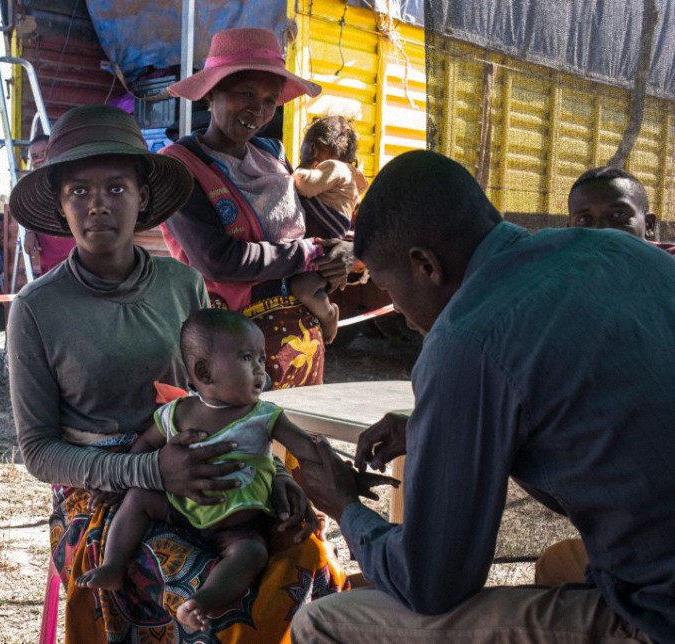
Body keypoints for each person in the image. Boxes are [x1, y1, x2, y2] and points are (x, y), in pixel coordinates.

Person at [291, 150, 675, 642]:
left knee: (326, 623)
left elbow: (431, 583)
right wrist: (431, 428)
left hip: (659, 611)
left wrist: (345, 505)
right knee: (561, 563)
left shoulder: (466, 337)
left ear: (425, 264)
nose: (401, 313)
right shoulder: (629, 254)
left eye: (390, 290)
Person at [7, 104, 344, 641]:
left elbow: (214, 399)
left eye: (116, 189)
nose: (98, 206)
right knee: (195, 592)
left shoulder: (182, 284)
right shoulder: (36, 308)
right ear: (60, 204)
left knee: (303, 554)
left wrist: (270, 475)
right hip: (105, 493)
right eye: (79, 192)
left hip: (208, 465)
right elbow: (40, 452)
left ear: (143, 199)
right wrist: (151, 473)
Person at [76, 308, 395, 631]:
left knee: (251, 554)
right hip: (179, 509)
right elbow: (145, 446)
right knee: (138, 498)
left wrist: (348, 475)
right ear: (204, 371)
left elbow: (310, 450)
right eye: (247, 358)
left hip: (237, 524)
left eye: (261, 357)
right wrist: (124, 478)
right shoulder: (176, 413)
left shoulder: (264, 416)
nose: (261, 368)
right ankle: (113, 566)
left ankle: (202, 601)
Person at [162, 27, 357, 389]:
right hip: (231, 350)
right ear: (211, 93)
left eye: (270, 100)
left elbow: (314, 226)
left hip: (299, 346)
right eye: (246, 94)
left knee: (298, 441)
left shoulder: (272, 155)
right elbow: (218, 260)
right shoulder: (180, 167)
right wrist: (311, 254)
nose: (259, 110)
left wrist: (342, 249)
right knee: (242, 443)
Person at [289, 115, 370, 343]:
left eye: (305, 145)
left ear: (316, 147)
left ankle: (329, 316)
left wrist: (296, 171)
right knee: (304, 287)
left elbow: (305, 186)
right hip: (322, 243)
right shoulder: (346, 175)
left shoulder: (336, 168)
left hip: (324, 245)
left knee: (304, 288)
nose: (302, 151)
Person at [568, 165, 675, 256]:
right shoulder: (559, 268)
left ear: (648, 225)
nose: (601, 230)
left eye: (618, 214)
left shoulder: (669, 264)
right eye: (584, 219)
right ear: (568, 232)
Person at [22, 134, 77, 277]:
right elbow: (28, 212)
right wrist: (29, 233)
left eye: (44, 153)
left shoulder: (73, 178)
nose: (40, 159)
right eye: (35, 156)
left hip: (77, 258)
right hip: (49, 262)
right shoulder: (30, 187)